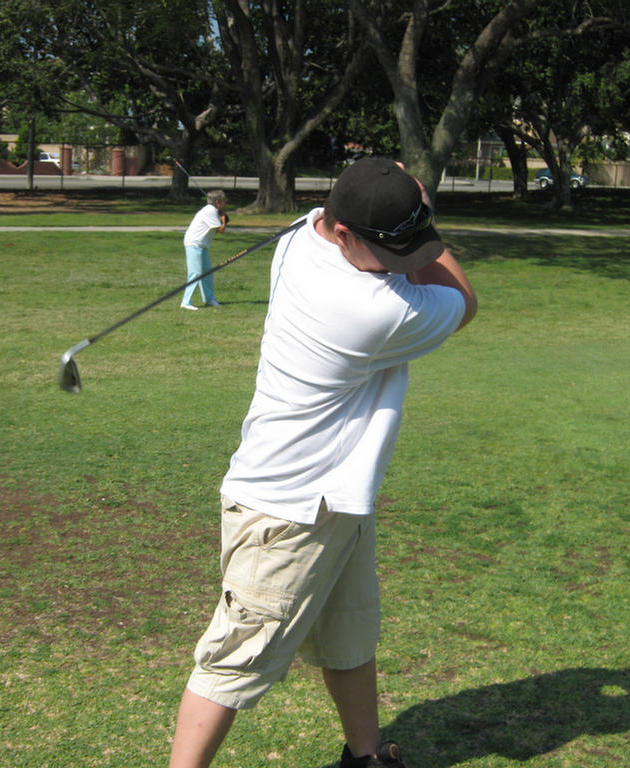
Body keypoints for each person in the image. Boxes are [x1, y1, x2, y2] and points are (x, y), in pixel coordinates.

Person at [167, 158, 477, 768]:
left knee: (350, 636)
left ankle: (365, 758)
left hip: (337, 499)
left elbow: (359, 209)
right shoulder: (371, 310)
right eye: (393, 250)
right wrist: (423, 220)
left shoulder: (301, 233)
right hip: (286, 510)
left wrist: (399, 208)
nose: (405, 263)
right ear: (343, 233)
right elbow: (463, 299)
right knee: (233, 662)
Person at [181, 190, 229, 310]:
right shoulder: (210, 211)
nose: (225, 205)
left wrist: (221, 217)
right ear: (217, 202)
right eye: (224, 202)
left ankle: (209, 299)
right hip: (194, 243)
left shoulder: (212, 211)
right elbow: (221, 231)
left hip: (202, 245)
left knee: (207, 272)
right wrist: (223, 219)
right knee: (195, 272)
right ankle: (186, 302)